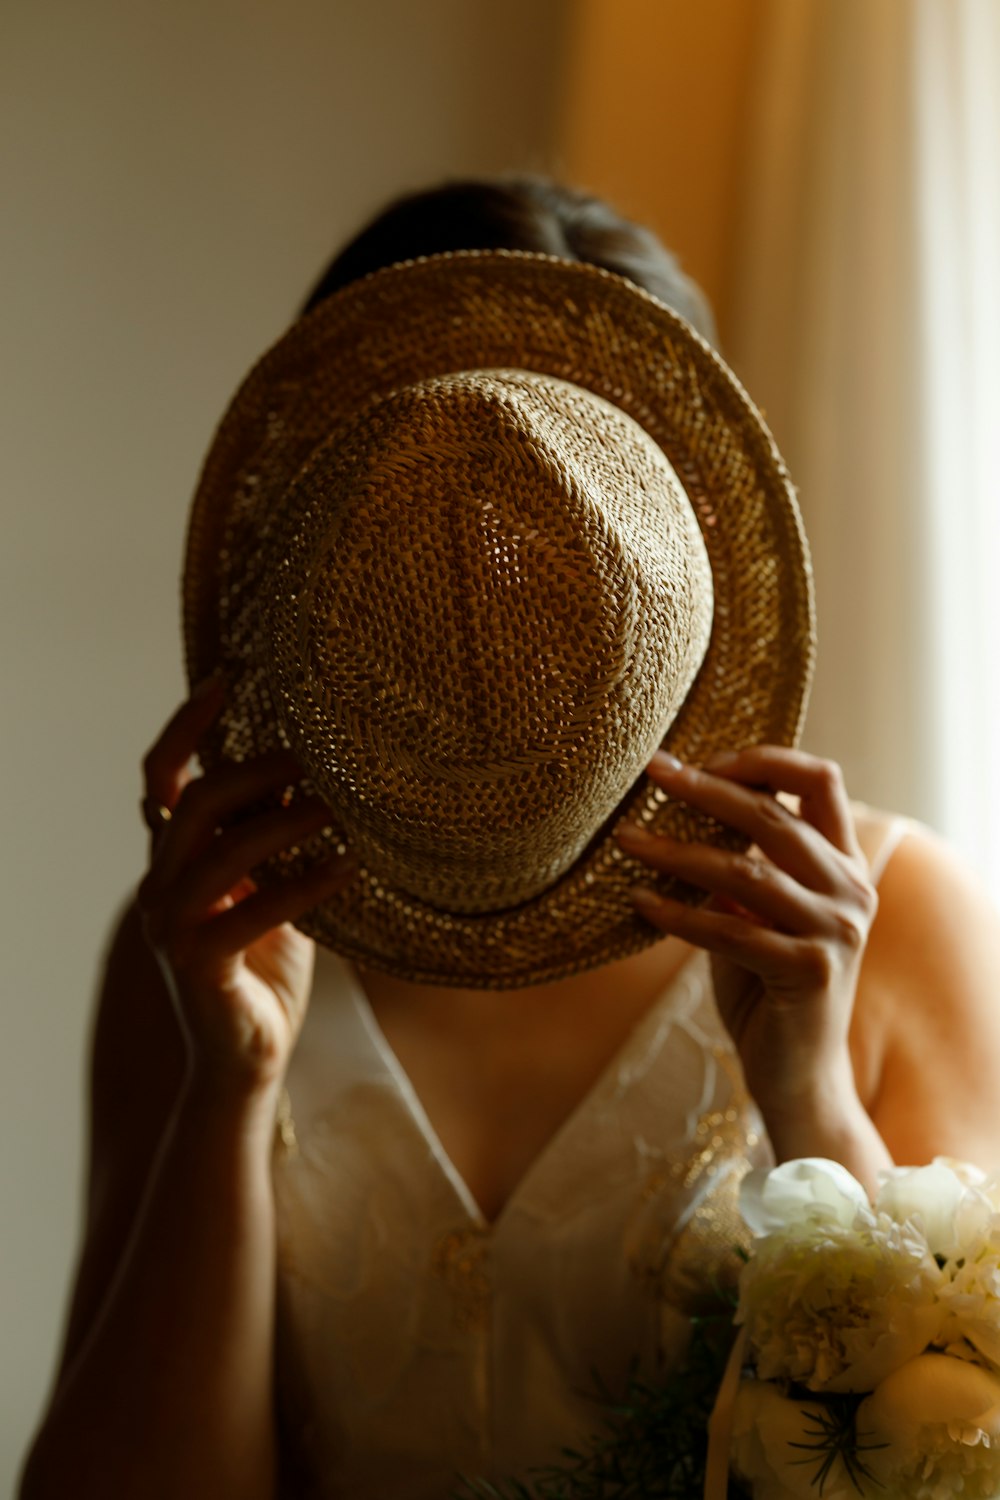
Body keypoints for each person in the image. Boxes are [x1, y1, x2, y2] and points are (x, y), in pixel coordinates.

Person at [20, 178, 1000, 1500]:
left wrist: (809, 1095)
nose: (497, 581)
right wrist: (227, 1094)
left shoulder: (888, 913)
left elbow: (959, 1459)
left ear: (684, 543)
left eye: (559, 528)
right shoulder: (210, 942)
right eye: (437, 522)